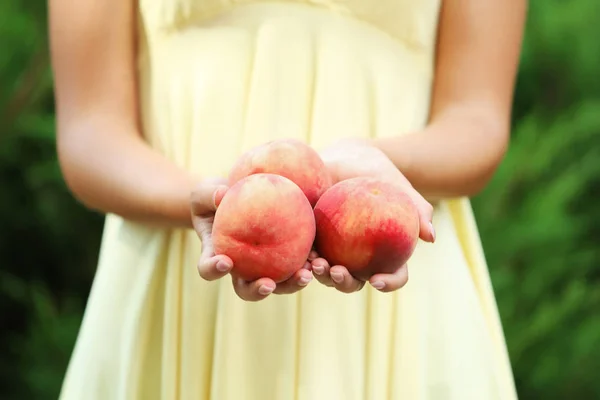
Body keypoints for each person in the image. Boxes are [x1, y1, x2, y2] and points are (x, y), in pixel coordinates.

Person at [49, 0, 526, 398]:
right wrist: (207, 203)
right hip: (178, 276)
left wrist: (375, 164)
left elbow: (476, 119)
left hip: (394, 295)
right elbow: (90, 130)